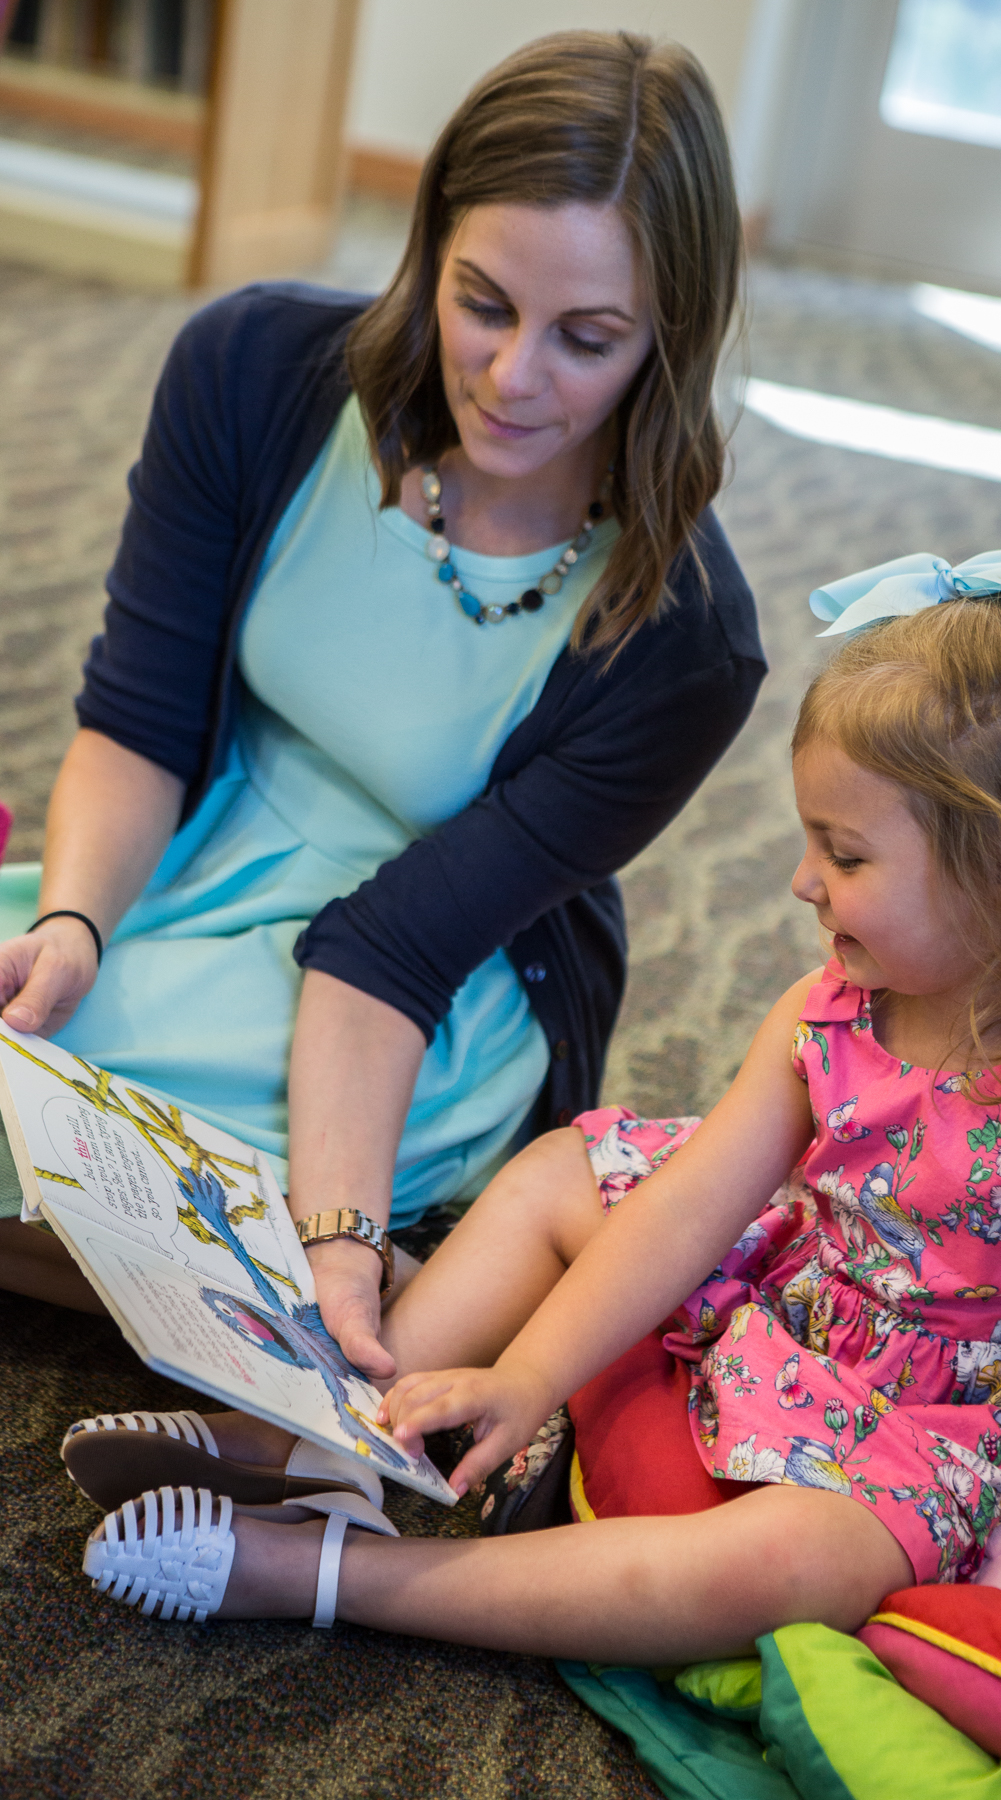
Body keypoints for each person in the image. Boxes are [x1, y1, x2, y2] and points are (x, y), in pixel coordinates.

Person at [73, 542, 1001, 1660]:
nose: (803, 883)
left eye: (843, 855)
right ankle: (323, 1441)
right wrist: (529, 1375)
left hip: (966, 1429)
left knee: (788, 1560)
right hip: (829, 1290)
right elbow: (687, 1205)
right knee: (570, 1169)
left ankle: (334, 1573)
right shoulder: (835, 1005)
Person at [0, 31, 764, 1371]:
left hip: (427, 991)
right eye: (483, 303)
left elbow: (391, 949)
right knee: (38, 1057)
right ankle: (372, 1296)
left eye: (587, 339)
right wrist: (71, 925)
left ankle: (360, 1282)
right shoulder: (249, 372)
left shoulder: (687, 639)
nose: (515, 377)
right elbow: (136, 724)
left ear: (669, 340)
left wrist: (338, 1224)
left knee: (65, 1119)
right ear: (430, 245)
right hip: (175, 851)